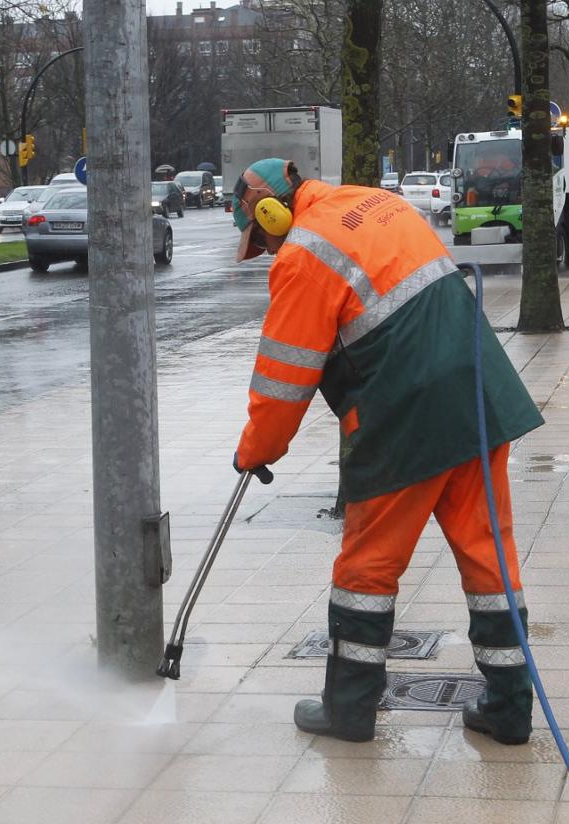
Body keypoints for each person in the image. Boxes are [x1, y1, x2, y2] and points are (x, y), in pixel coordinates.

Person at [230, 158, 544, 745]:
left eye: (261, 239)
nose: (268, 251)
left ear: (269, 212)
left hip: (403, 417)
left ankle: (349, 711)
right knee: (489, 556)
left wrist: (256, 450)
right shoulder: (379, 202)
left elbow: (284, 380)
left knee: (367, 569)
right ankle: (509, 709)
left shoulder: (304, 253)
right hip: (477, 395)